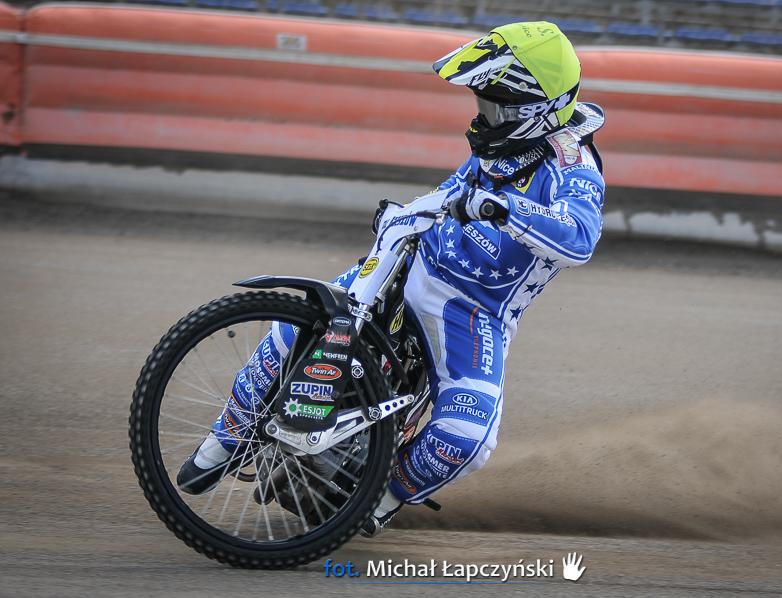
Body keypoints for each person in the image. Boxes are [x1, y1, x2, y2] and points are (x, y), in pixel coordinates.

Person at [177, 21, 605, 538]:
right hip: (414, 258)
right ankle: (229, 435)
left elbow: (580, 239)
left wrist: (501, 208)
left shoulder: (575, 167)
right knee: (296, 326)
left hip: (472, 309)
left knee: (468, 437)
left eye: (494, 108)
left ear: (532, 110)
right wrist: (407, 214)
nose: (482, 117)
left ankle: (382, 495)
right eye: (482, 104)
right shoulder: (502, 141)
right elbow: (453, 191)